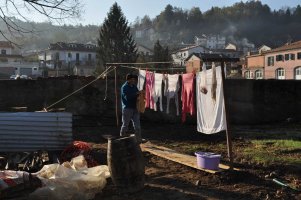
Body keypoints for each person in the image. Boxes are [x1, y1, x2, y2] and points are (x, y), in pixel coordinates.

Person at [120, 73, 142, 143]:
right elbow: (127, 97)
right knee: (125, 125)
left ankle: (138, 140)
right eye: (132, 79)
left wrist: (141, 95)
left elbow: (137, 95)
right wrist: (136, 94)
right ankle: (122, 138)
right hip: (127, 108)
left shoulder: (134, 86)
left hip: (135, 108)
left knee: (137, 125)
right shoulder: (124, 87)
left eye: (134, 79)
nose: (133, 80)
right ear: (128, 80)